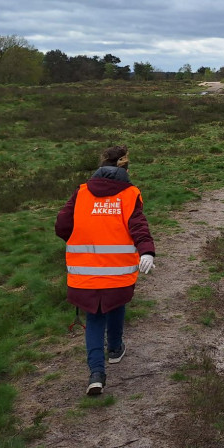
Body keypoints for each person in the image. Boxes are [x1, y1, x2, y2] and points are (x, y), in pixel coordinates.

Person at [55, 145, 156, 396]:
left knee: (94, 316)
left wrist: (83, 237)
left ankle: (96, 373)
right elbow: (138, 226)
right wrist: (146, 251)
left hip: (83, 271)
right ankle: (115, 349)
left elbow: (62, 226)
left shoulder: (81, 193)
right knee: (115, 302)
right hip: (118, 270)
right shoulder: (131, 194)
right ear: (126, 168)